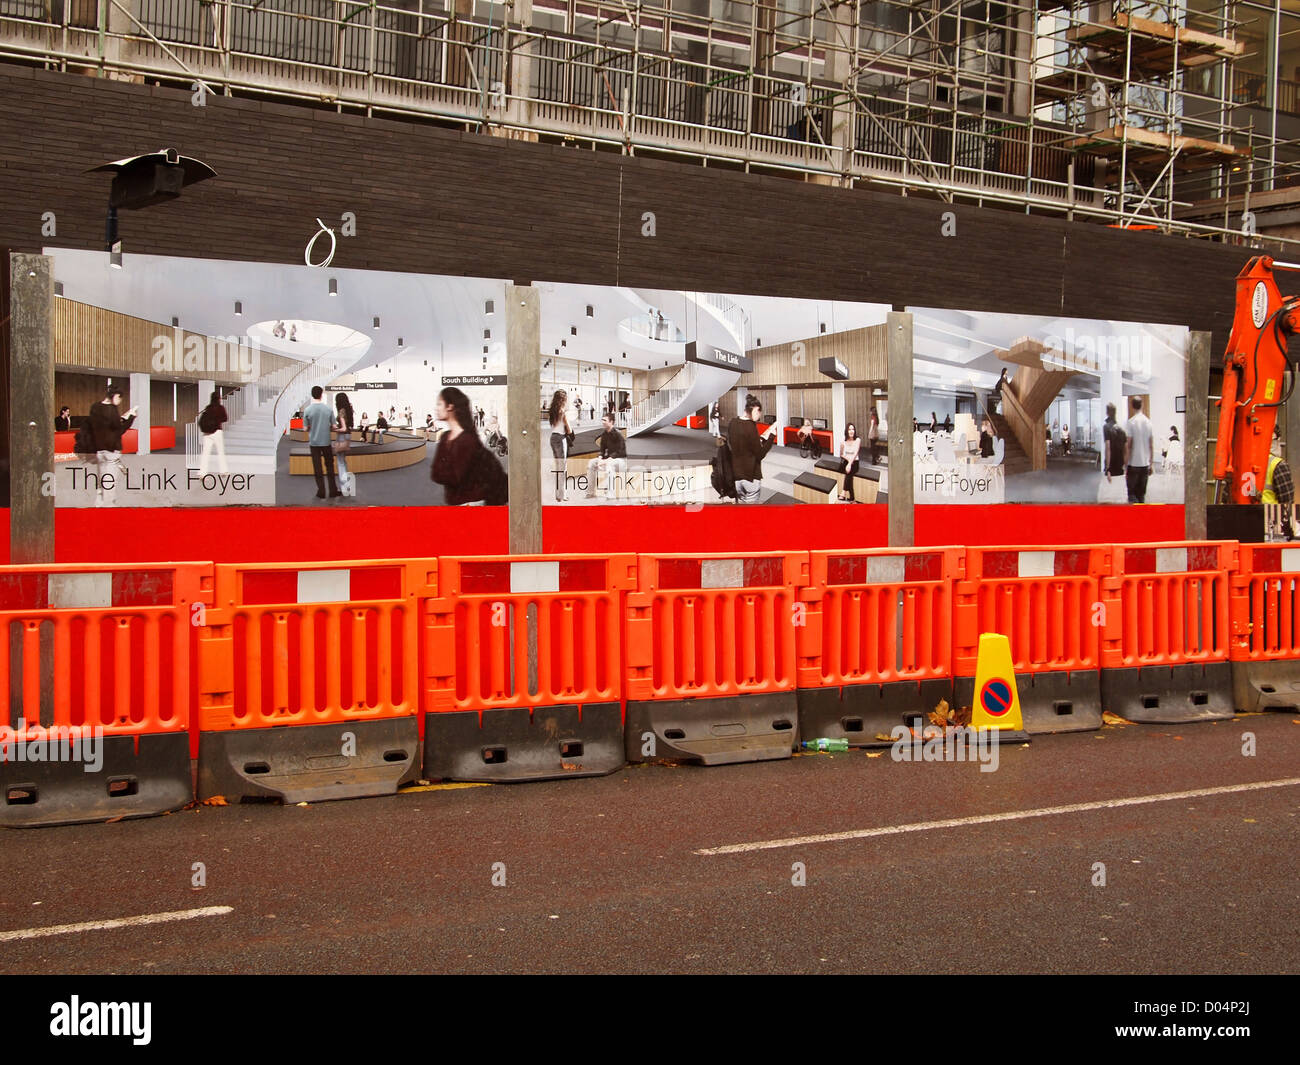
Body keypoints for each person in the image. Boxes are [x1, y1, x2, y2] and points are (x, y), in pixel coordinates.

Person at [431, 386, 494, 505]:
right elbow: (435, 474)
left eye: (439, 404)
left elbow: (455, 477)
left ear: (450, 406)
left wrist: (443, 470)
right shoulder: (445, 437)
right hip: (453, 502)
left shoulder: (468, 440)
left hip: (471, 504)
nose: (436, 408)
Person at [88, 388, 137, 507]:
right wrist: (131, 418)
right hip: (111, 450)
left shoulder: (96, 407)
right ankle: (109, 506)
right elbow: (119, 430)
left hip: (99, 450)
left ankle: (99, 502)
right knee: (110, 479)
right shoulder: (112, 409)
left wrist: (120, 419)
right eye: (119, 398)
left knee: (101, 478)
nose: (120, 401)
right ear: (115, 396)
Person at [728, 394, 776, 503]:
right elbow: (760, 454)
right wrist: (771, 437)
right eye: (759, 413)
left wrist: (761, 439)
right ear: (755, 410)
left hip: (736, 477)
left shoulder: (733, 422)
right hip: (750, 478)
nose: (759, 417)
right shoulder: (751, 426)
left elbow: (742, 444)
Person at [303, 385, 339, 500]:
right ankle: (333, 491)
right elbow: (334, 426)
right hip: (326, 442)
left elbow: (305, 429)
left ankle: (321, 492)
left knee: (317, 467)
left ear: (312, 395)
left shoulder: (307, 410)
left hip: (314, 443)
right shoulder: (328, 409)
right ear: (321, 394)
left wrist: (311, 427)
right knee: (330, 467)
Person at [1262, 427, 1295, 540]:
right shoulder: (1277, 464)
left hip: (1242, 522)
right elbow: (1287, 502)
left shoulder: (1239, 462)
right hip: (1270, 526)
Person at [586, 412, 628, 498]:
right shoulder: (604, 434)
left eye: (605, 420)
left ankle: (610, 494)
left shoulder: (618, 434)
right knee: (591, 463)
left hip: (620, 461)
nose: (603, 422)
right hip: (608, 459)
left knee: (609, 465)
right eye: (602, 420)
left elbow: (620, 452)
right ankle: (590, 493)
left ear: (611, 422)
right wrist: (600, 459)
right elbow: (602, 449)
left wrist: (605, 461)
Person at [1124, 397, 1154, 504]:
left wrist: (1125, 464)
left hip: (1133, 465)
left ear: (1132, 406)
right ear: (1142, 405)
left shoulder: (1130, 423)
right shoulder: (1148, 422)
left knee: (1132, 496)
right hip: (1145, 465)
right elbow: (1151, 445)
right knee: (1141, 496)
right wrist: (1151, 463)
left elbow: (1129, 446)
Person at [548, 389, 574, 502]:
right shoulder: (562, 411)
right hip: (560, 438)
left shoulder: (552, 410)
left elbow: (554, 425)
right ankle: (561, 496)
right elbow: (568, 429)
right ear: (563, 399)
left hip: (553, 438)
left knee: (558, 467)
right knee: (562, 468)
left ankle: (558, 495)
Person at [198, 390, 229, 476]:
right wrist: (217, 420)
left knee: (205, 453)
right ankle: (223, 471)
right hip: (217, 432)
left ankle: (202, 473)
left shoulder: (208, 407)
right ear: (219, 398)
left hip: (207, 433)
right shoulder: (220, 408)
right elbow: (225, 418)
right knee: (220, 452)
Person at [333, 392, 356, 498]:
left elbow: (343, 428)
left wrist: (334, 429)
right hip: (348, 437)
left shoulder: (341, 411)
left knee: (340, 463)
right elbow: (348, 426)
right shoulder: (349, 409)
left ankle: (345, 488)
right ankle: (348, 486)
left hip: (342, 436)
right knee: (344, 462)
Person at [1102, 402, 1126, 485]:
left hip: (1111, 465)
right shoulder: (1121, 428)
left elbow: (1108, 448)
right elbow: (1125, 449)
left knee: (1109, 490)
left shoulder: (1106, 427)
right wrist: (1126, 467)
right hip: (1120, 464)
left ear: (1107, 413)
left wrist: (1108, 468)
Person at [839, 423, 861, 502]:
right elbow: (841, 454)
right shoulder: (843, 442)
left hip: (855, 462)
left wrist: (849, 463)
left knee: (849, 472)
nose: (851, 431)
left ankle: (844, 492)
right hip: (846, 462)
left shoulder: (858, 440)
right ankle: (852, 498)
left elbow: (855, 453)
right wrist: (848, 461)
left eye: (853, 429)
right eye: (849, 429)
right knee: (849, 475)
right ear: (846, 431)